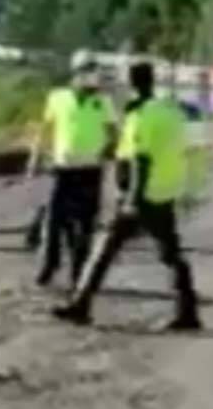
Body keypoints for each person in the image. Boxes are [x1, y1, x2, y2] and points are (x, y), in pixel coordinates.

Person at [52, 62, 201, 330]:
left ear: (131, 84)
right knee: (170, 253)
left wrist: (132, 199)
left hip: (142, 194)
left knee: (104, 250)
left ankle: (80, 305)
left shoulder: (141, 116)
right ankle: (188, 310)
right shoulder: (168, 111)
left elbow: (140, 160)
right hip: (164, 189)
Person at [28, 51, 116, 288]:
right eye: (86, 70)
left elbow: (112, 133)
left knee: (85, 225)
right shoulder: (58, 98)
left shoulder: (102, 102)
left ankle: (79, 273)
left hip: (90, 170)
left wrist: (109, 150)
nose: (91, 76)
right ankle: (50, 263)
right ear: (75, 73)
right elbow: (45, 130)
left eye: (93, 71)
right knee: (54, 220)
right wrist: (35, 157)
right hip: (64, 168)